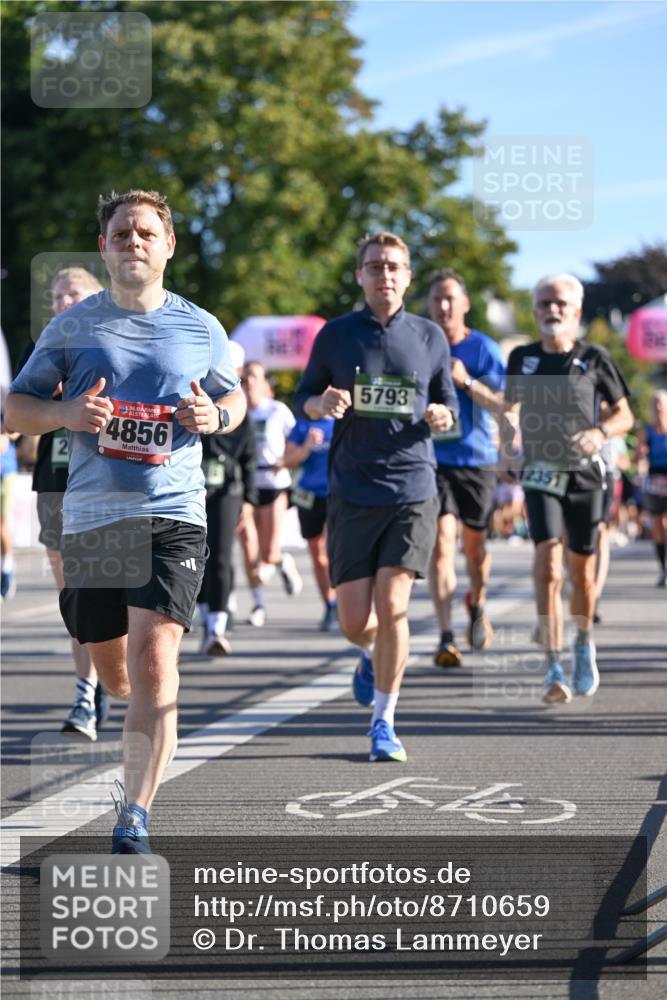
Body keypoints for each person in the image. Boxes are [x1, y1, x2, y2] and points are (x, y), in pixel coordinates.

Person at [6, 188, 245, 853]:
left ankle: (134, 813)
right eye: (120, 233)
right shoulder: (73, 327)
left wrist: (215, 417)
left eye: (146, 232)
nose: (133, 242)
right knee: (115, 671)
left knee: (154, 658)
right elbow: (16, 410)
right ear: (105, 248)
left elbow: (237, 401)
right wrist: (65, 415)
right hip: (93, 517)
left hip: (172, 513)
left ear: (167, 246)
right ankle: (116, 704)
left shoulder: (201, 326)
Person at [294, 231, 459, 762]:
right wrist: (322, 401)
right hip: (352, 488)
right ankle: (368, 654)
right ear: (360, 275)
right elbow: (303, 399)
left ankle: (383, 723)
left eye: (394, 266)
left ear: (407, 276)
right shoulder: (335, 336)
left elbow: (448, 403)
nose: (384, 274)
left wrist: (442, 415)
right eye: (374, 266)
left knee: (394, 607)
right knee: (353, 622)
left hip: (412, 488)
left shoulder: (431, 336)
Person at [504, 273, 633, 704]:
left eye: (559, 303)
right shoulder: (521, 358)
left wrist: (600, 433)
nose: (550, 310)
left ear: (576, 310)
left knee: (580, 572)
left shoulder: (595, 358)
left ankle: (583, 640)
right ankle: (552, 665)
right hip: (541, 473)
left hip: (586, 477)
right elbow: (509, 411)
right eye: (543, 303)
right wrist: (508, 443)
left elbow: (624, 416)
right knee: (548, 566)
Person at [16, 267, 110, 738]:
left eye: (73, 294)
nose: (62, 302)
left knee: (116, 593)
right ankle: (85, 694)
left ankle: (109, 670)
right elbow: (14, 414)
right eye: (56, 297)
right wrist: (45, 405)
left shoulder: (113, 345)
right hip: (54, 480)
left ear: (96, 299)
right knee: (75, 592)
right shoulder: (43, 348)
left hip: (111, 484)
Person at [426, 269, 507, 667]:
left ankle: (477, 602)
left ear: (465, 304)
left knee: (474, 551)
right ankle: (445, 636)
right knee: (440, 544)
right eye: (437, 299)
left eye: (450, 299)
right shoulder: (420, 343)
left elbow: (506, 405)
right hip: (432, 460)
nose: (443, 306)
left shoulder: (485, 349)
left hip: (476, 460)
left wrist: (467, 382)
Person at [197, 339, 257, 655]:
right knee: (194, 555)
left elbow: (249, 455)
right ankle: (204, 615)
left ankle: (217, 628)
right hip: (192, 489)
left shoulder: (239, 404)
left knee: (220, 554)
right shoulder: (192, 394)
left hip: (227, 490)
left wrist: (249, 499)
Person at [240, 360, 302, 626]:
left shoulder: (277, 410)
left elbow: (297, 440)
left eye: (254, 377)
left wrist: (286, 460)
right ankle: (258, 604)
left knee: (268, 552)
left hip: (274, 482)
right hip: (248, 483)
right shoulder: (239, 411)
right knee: (248, 546)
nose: (249, 382)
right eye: (244, 378)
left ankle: (282, 561)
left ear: (265, 383)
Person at [283, 415, 337, 631]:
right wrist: (306, 446)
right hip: (310, 495)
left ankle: (345, 599)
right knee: (318, 554)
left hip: (338, 495)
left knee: (338, 551)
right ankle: (329, 603)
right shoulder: (303, 425)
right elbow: (287, 461)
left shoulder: (342, 421)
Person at [638, 389, 667, 587]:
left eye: (661, 403)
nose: (658, 407)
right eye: (655, 403)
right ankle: (663, 569)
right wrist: (640, 465)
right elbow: (640, 457)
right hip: (654, 480)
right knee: (658, 526)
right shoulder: (646, 431)